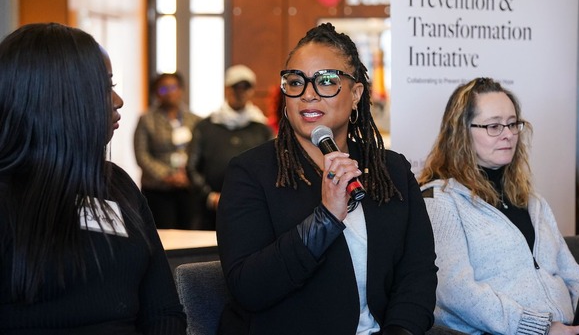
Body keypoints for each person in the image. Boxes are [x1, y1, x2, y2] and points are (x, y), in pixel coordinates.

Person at [216, 23, 437, 335]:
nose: (308, 94)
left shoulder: (391, 170)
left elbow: (418, 275)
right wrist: (326, 218)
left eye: (326, 81)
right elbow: (249, 288)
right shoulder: (251, 172)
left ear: (356, 93)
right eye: (295, 82)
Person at [0, 22, 186, 333]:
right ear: (58, 97)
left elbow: (164, 312)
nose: (118, 101)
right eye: (105, 86)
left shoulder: (118, 186)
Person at [418, 77, 579, 335]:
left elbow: (572, 274)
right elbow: (455, 291)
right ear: (461, 133)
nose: (508, 134)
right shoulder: (440, 200)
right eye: (494, 126)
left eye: (512, 124)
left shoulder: (532, 201)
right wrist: (540, 328)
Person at [187, 64, 273, 230]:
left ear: (252, 91)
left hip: (252, 210)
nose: (240, 92)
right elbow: (192, 167)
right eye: (235, 87)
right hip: (210, 212)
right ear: (226, 89)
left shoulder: (262, 129)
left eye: (245, 87)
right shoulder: (205, 126)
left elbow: (270, 168)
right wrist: (209, 196)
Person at [134, 72, 201, 229]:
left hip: (187, 186)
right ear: (156, 93)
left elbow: (200, 152)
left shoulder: (195, 119)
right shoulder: (146, 120)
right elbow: (141, 155)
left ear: (181, 90)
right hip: (158, 189)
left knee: (190, 234)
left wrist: (188, 175)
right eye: (163, 89)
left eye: (173, 87)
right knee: (163, 233)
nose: (169, 92)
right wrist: (167, 175)